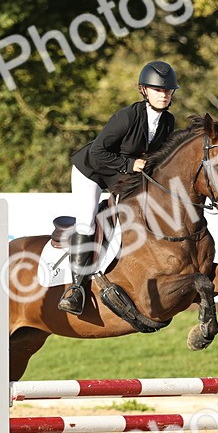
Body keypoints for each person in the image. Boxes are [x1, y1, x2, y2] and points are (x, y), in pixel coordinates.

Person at [58, 60, 179, 314]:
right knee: (86, 221)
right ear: (144, 90)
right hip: (92, 171)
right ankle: (76, 289)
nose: (164, 95)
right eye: (158, 90)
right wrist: (129, 163)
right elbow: (99, 151)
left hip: (123, 178)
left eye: (168, 91)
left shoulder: (168, 122)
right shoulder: (126, 117)